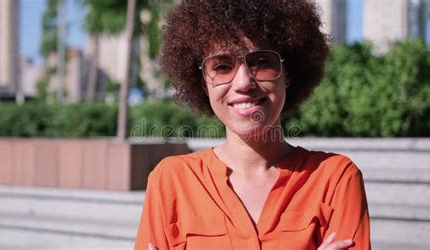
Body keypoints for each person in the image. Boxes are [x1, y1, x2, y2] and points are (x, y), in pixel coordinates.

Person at [135, 0, 370, 249]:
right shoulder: (171, 181)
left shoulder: (335, 179)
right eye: (222, 66)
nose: (243, 82)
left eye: (261, 62)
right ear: (204, 83)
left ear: (287, 73)